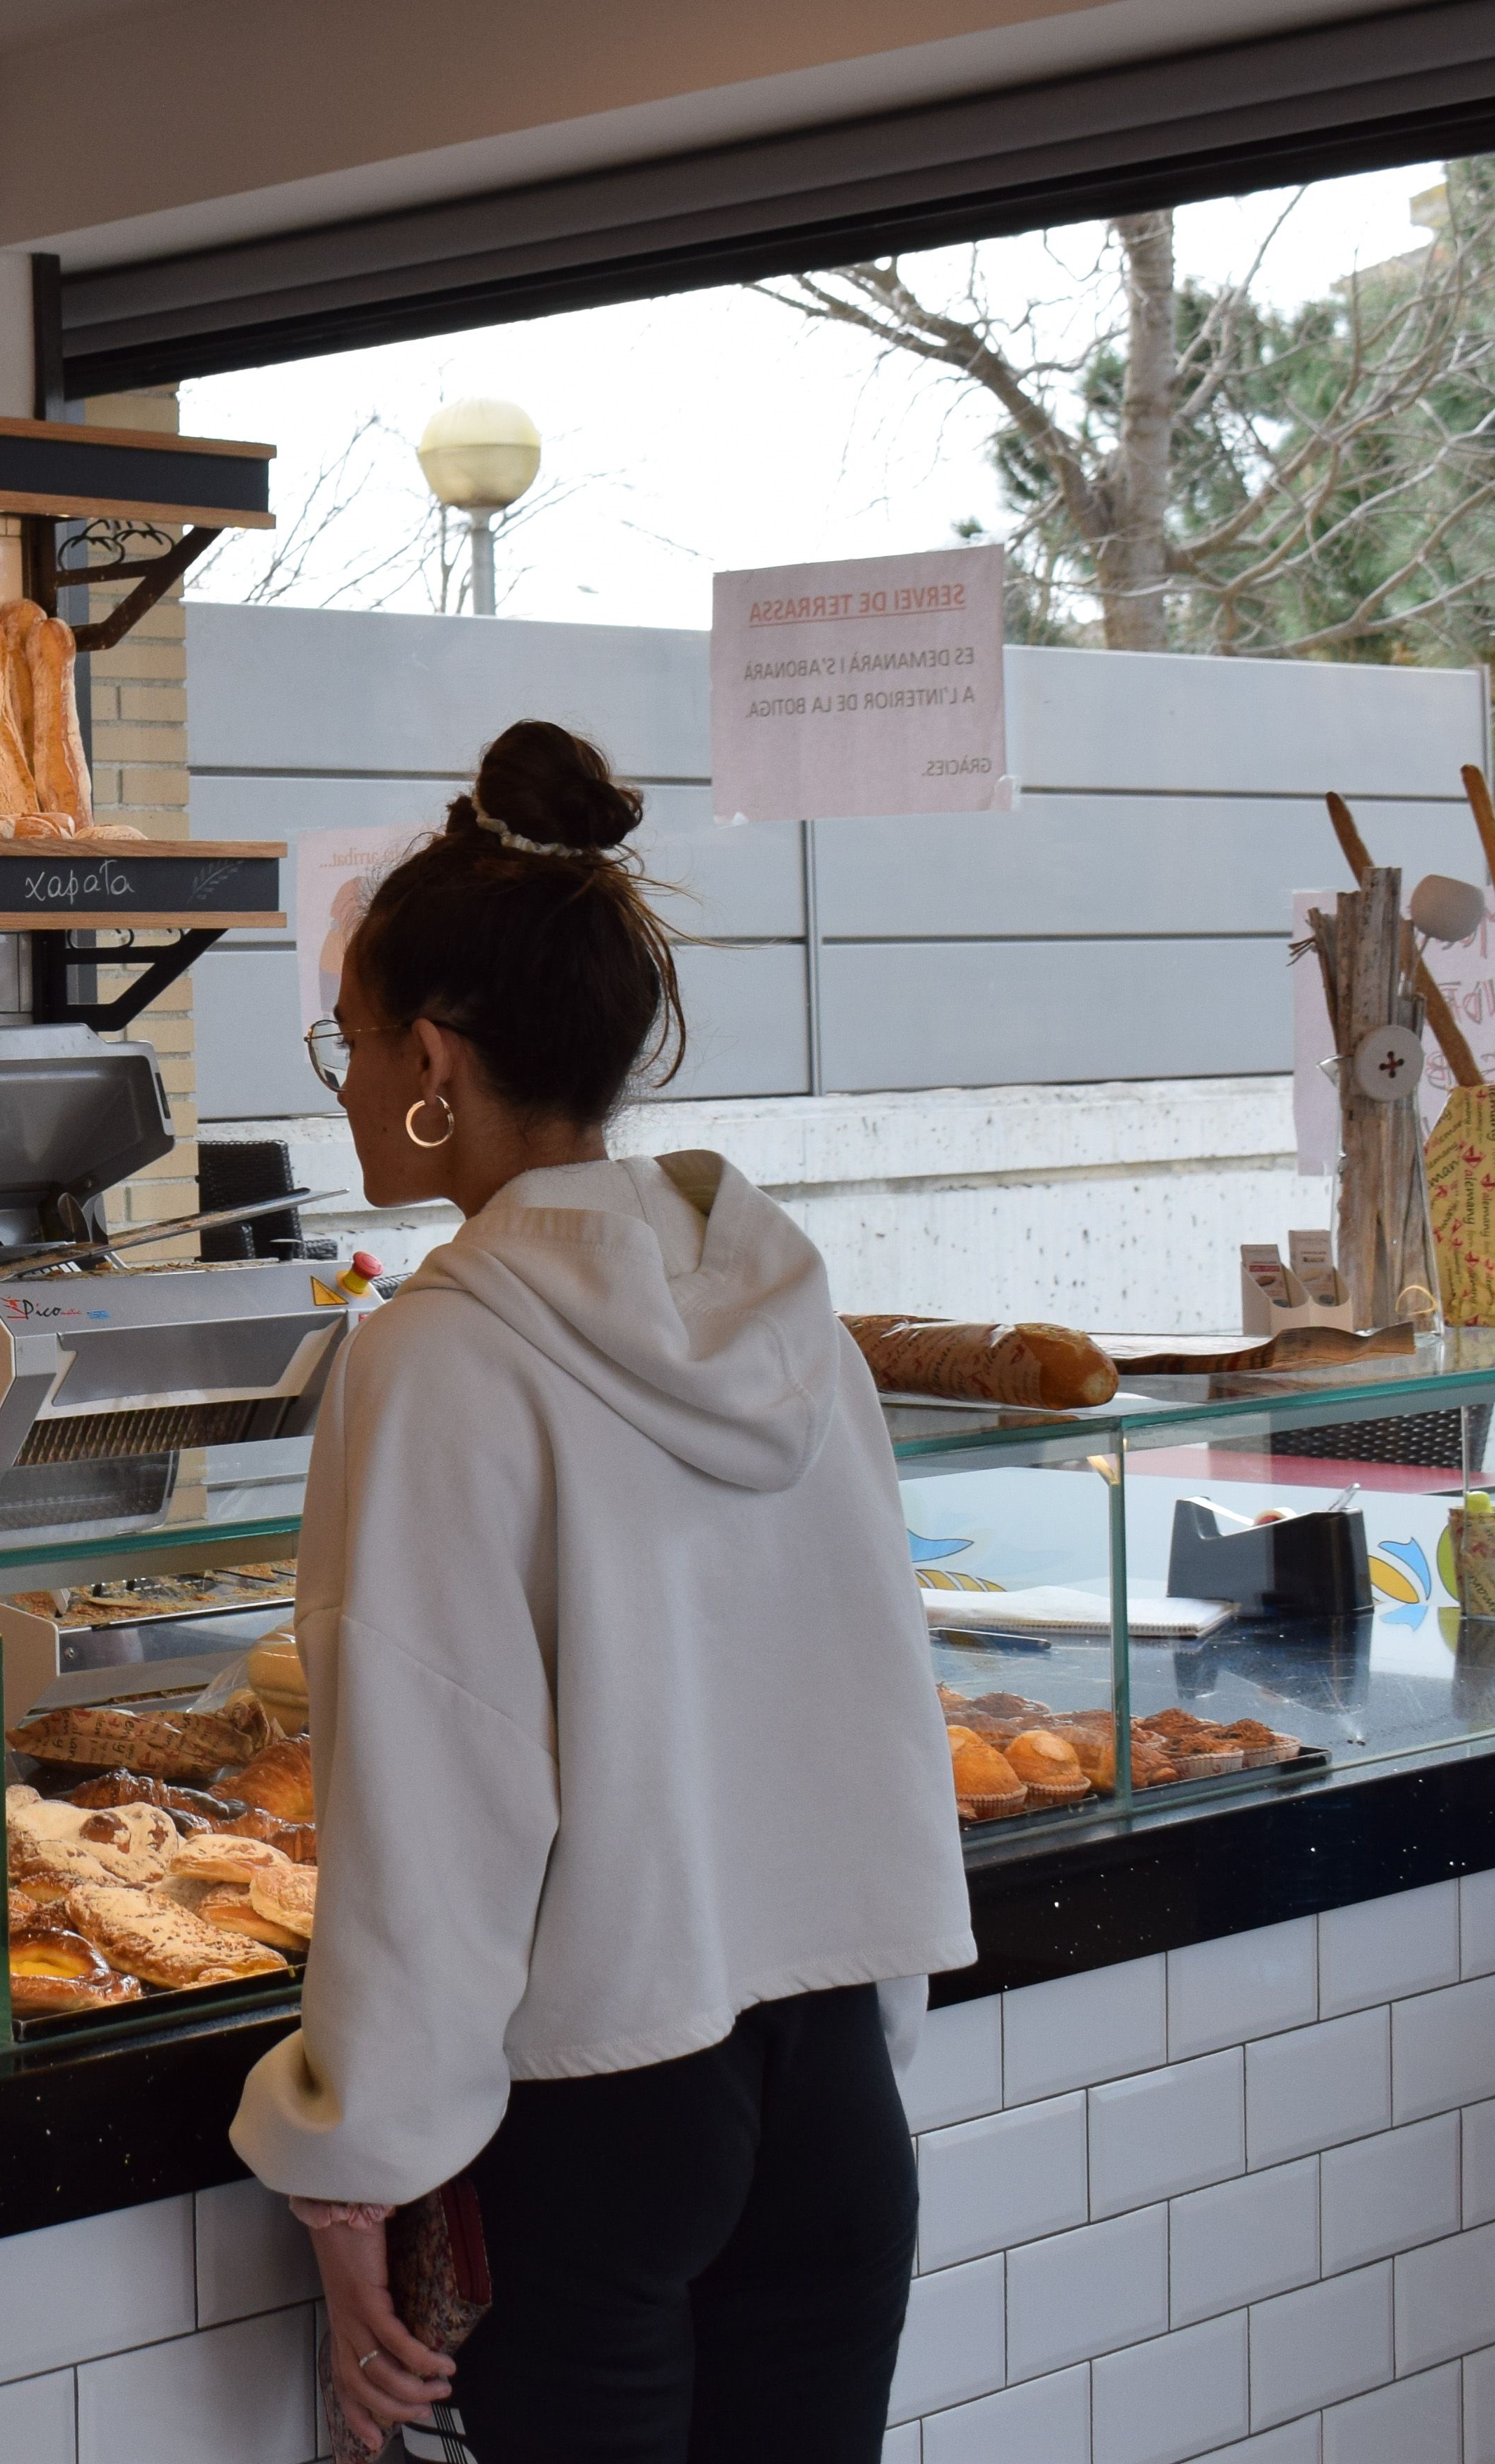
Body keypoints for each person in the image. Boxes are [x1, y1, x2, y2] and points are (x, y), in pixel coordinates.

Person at [235, 721, 971, 2463]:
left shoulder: (433, 1359)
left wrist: (353, 2178)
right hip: (836, 2102)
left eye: (344, 1041)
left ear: (430, 1056)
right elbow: (880, 1705)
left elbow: (433, 1807)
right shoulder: (796, 1319)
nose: (339, 1086)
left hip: (599, 2125)